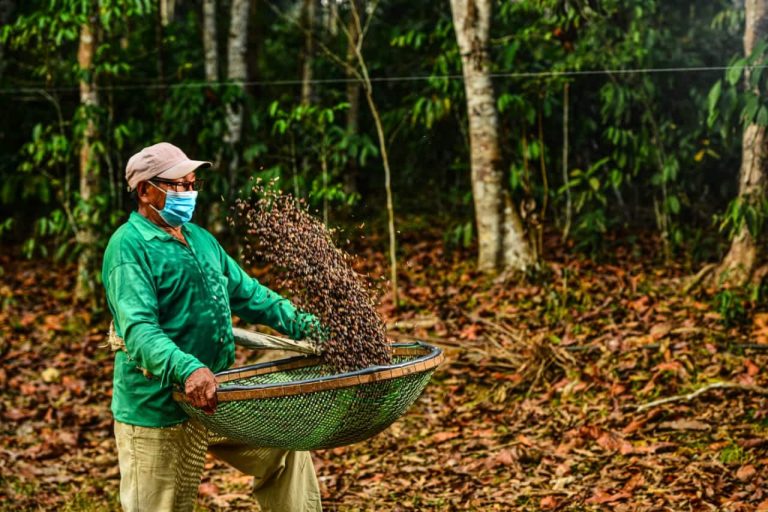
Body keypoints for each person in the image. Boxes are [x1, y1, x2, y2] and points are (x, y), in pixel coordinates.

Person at [102, 142, 322, 512]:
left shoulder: (200, 239)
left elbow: (249, 294)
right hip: (159, 408)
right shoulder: (129, 248)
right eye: (178, 186)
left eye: (192, 184)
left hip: (216, 395)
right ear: (145, 191)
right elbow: (139, 331)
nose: (189, 193)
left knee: (283, 450)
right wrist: (187, 368)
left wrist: (307, 325)